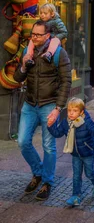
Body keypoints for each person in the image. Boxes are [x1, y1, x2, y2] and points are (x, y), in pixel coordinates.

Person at [13, 19, 71, 201]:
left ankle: (47, 182)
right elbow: (17, 77)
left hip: (49, 105)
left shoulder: (58, 54)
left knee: (48, 146)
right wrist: (23, 65)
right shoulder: (27, 51)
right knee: (23, 141)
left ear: (48, 36)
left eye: (38, 35)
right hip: (30, 104)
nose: (34, 37)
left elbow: (66, 82)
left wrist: (58, 108)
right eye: (33, 34)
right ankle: (38, 173)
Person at [48, 97, 94, 206]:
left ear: (81, 112)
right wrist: (50, 125)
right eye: (69, 110)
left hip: (87, 153)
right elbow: (57, 133)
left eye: (75, 111)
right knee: (76, 175)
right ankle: (76, 196)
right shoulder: (66, 122)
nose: (71, 113)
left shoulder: (86, 121)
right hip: (75, 154)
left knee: (89, 173)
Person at [24, 3, 68, 67]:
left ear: (52, 14)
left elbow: (64, 32)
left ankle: (48, 54)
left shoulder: (57, 21)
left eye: (45, 13)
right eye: (41, 13)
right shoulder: (39, 22)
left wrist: (56, 36)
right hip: (42, 39)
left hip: (52, 39)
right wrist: (33, 35)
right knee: (32, 40)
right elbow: (33, 30)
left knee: (55, 40)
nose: (42, 15)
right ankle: (28, 57)